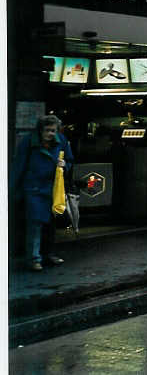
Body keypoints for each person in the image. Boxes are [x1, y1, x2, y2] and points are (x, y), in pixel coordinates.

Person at [12, 114, 73, 271]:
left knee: (50, 224)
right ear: (40, 130)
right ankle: (34, 258)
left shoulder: (61, 140)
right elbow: (19, 166)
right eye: (47, 130)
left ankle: (48, 254)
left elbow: (70, 160)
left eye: (53, 130)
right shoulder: (28, 142)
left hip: (53, 188)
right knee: (35, 223)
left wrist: (65, 165)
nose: (50, 134)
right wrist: (14, 190)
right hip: (34, 188)